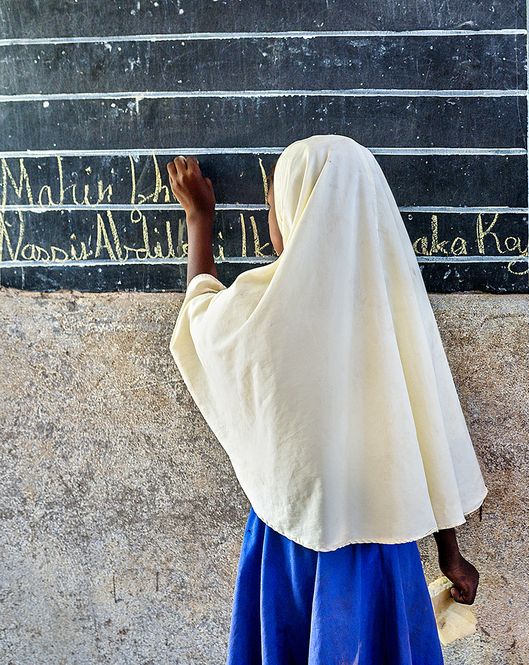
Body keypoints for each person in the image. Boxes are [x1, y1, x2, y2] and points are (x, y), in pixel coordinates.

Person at [166, 134, 488, 664]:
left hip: (292, 539)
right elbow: (424, 434)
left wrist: (200, 218)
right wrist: (449, 554)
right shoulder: (394, 308)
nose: (270, 215)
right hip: (383, 540)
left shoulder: (263, 307)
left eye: (271, 203)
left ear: (298, 209)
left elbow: (203, 320)